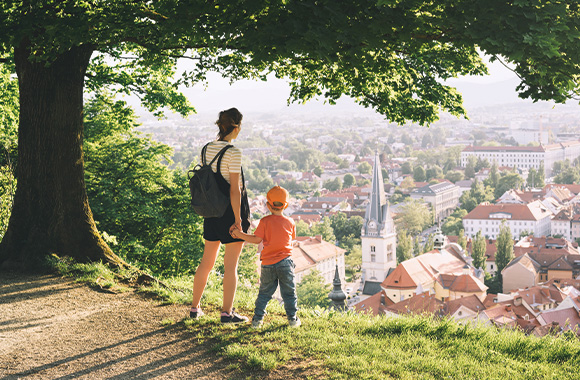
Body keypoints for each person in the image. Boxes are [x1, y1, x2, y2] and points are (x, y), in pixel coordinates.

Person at [190, 108, 250, 324]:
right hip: (229, 212)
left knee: (206, 261)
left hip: (210, 211)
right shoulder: (233, 152)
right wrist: (238, 219)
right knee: (230, 266)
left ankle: (195, 308)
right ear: (235, 127)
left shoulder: (206, 149)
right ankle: (227, 313)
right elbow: (235, 190)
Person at [231, 185, 301, 328]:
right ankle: (292, 319)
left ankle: (257, 320)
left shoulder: (264, 221)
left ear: (268, 205)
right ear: (286, 205)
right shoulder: (290, 222)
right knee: (289, 293)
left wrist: (239, 235)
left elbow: (256, 240)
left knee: (264, 293)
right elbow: (291, 239)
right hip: (286, 263)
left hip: (268, 263)